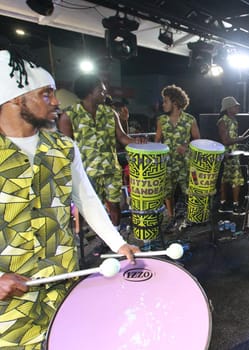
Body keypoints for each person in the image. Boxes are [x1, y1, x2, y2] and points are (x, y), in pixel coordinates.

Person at [0, 47, 139, 348]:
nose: (56, 102)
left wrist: (118, 243)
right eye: (46, 95)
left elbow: (87, 198)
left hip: (61, 276)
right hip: (8, 293)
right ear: (14, 100)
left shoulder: (64, 147)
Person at [57, 75, 143, 238]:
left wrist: (138, 142)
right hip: (85, 172)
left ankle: (115, 235)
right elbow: (67, 148)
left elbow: (122, 138)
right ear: (90, 91)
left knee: (114, 205)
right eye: (101, 89)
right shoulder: (69, 115)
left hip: (110, 168)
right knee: (84, 207)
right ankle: (79, 236)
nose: (105, 92)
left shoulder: (110, 113)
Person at [155, 85, 200, 224]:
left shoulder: (190, 119)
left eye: (165, 101)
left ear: (175, 102)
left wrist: (186, 146)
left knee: (189, 191)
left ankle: (191, 217)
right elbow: (157, 141)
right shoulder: (161, 120)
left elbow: (197, 140)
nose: (163, 104)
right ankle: (171, 216)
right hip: (167, 163)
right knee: (168, 192)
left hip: (185, 163)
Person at [217, 96, 249, 215]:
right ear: (228, 108)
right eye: (235, 106)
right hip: (228, 154)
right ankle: (235, 206)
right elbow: (225, 140)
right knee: (235, 179)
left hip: (233, 153)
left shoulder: (234, 120)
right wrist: (240, 139)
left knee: (226, 179)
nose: (238, 107)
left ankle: (224, 204)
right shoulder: (223, 120)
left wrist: (239, 140)